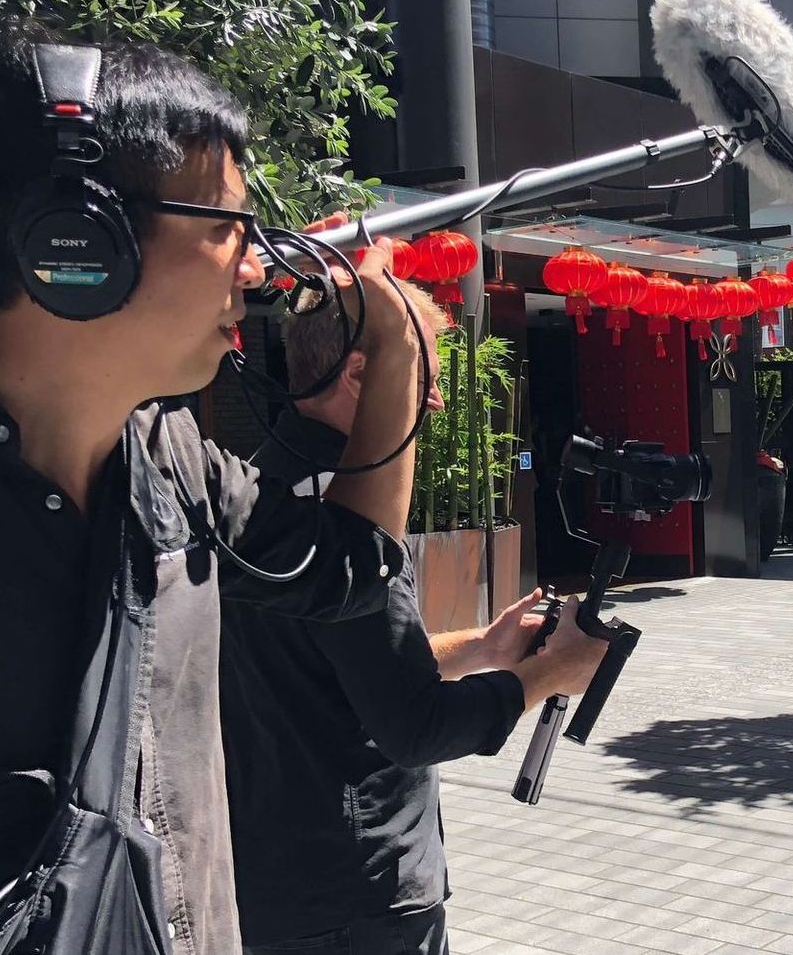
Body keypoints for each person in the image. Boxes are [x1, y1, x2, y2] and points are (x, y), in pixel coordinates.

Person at [0, 20, 438, 953]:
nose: (255, 266)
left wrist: (395, 347)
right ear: (80, 239)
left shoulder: (176, 463)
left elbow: (349, 572)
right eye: (226, 227)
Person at [221, 285, 606, 955]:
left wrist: (485, 647)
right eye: (423, 375)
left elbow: (335, 666)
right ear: (362, 374)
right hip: (358, 892)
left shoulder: (256, 487)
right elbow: (415, 726)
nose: (437, 399)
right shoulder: (348, 522)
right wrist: (549, 674)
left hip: (272, 877)